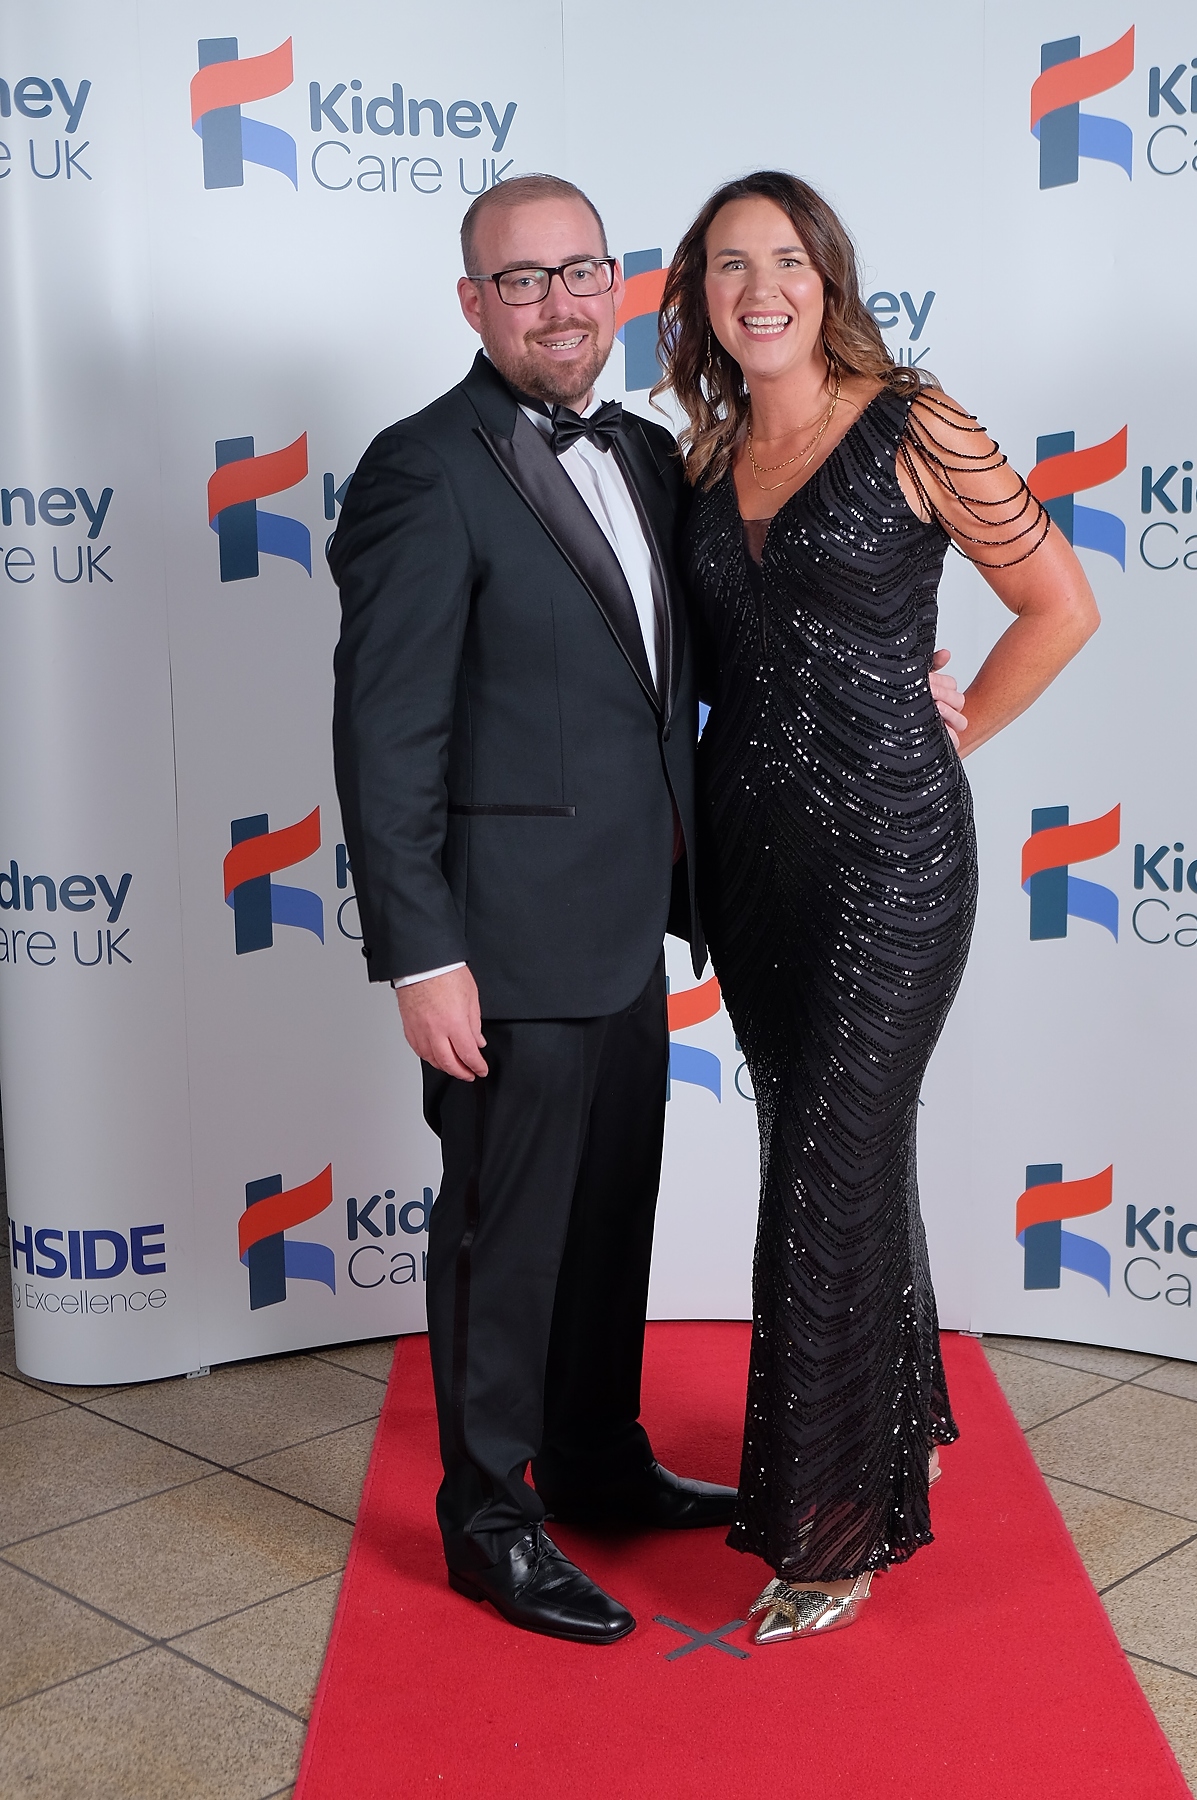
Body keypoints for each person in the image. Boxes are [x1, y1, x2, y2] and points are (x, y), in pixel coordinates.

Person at [658, 171, 1099, 1644]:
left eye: (785, 259)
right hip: (752, 863)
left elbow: (1061, 604)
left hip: (893, 855)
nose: (760, 288)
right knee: (824, 1138)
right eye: (730, 265)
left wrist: (951, 729)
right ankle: (898, 1419)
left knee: (827, 1165)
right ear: (700, 295)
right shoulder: (706, 458)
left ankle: (834, 1529)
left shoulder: (916, 423)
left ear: (828, 278)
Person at [330, 173, 736, 1648]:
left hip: (628, 924)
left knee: (612, 1213)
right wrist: (422, 954)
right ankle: (490, 1521)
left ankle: (597, 1460)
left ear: (616, 284)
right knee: (506, 1242)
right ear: (472, 302)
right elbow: (387, 736)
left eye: (581, 273)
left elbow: (692, 659)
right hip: (502, 941)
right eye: (522, 280)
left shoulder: (647, 451)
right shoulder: (419, 469)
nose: (559, 305)